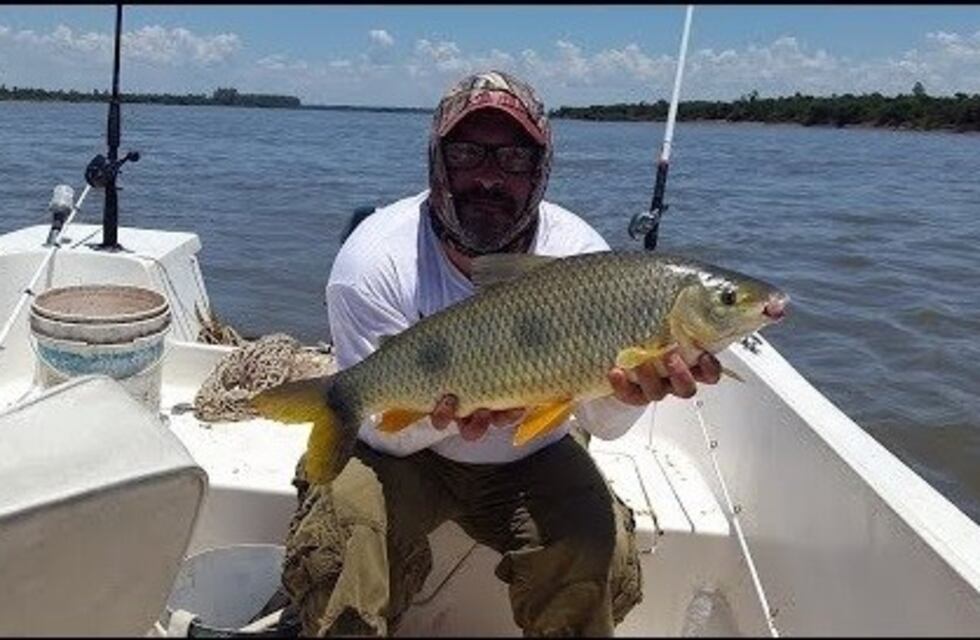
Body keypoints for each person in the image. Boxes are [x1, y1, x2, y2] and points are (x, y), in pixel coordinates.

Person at [281, 70, 721, 637]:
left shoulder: (582, 255)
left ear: (542, 170)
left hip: (533, 452)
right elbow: (382, 430)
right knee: (342, 543)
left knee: (595, 546)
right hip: (400, 456)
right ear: (436, 162)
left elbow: (600, 423)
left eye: (514, 159)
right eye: (466, 153)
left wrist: (634, 391)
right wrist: (449, 421)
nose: (488, 177)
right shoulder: (372, 264)